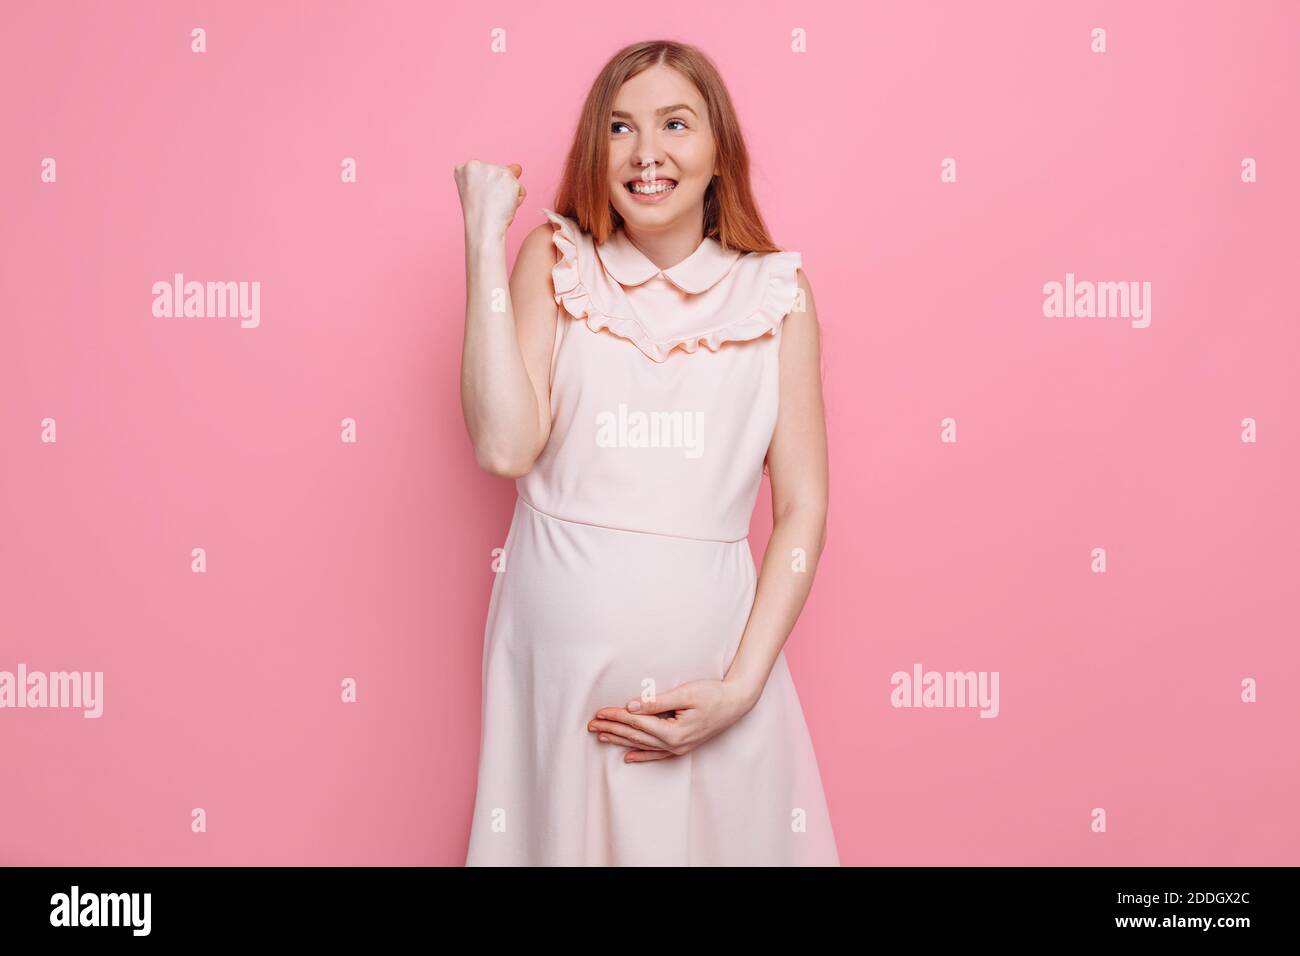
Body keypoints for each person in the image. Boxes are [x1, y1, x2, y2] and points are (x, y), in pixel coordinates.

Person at [456, 39, 838, 866]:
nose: (647, 153)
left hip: (715, 702)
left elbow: (804, 505)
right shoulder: (555, 262)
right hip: (560, 700)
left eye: (675, 123)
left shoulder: (778, 293)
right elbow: (504, 444)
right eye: (620, 128)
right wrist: (485, 238)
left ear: (718, 150)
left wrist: (739, 689)